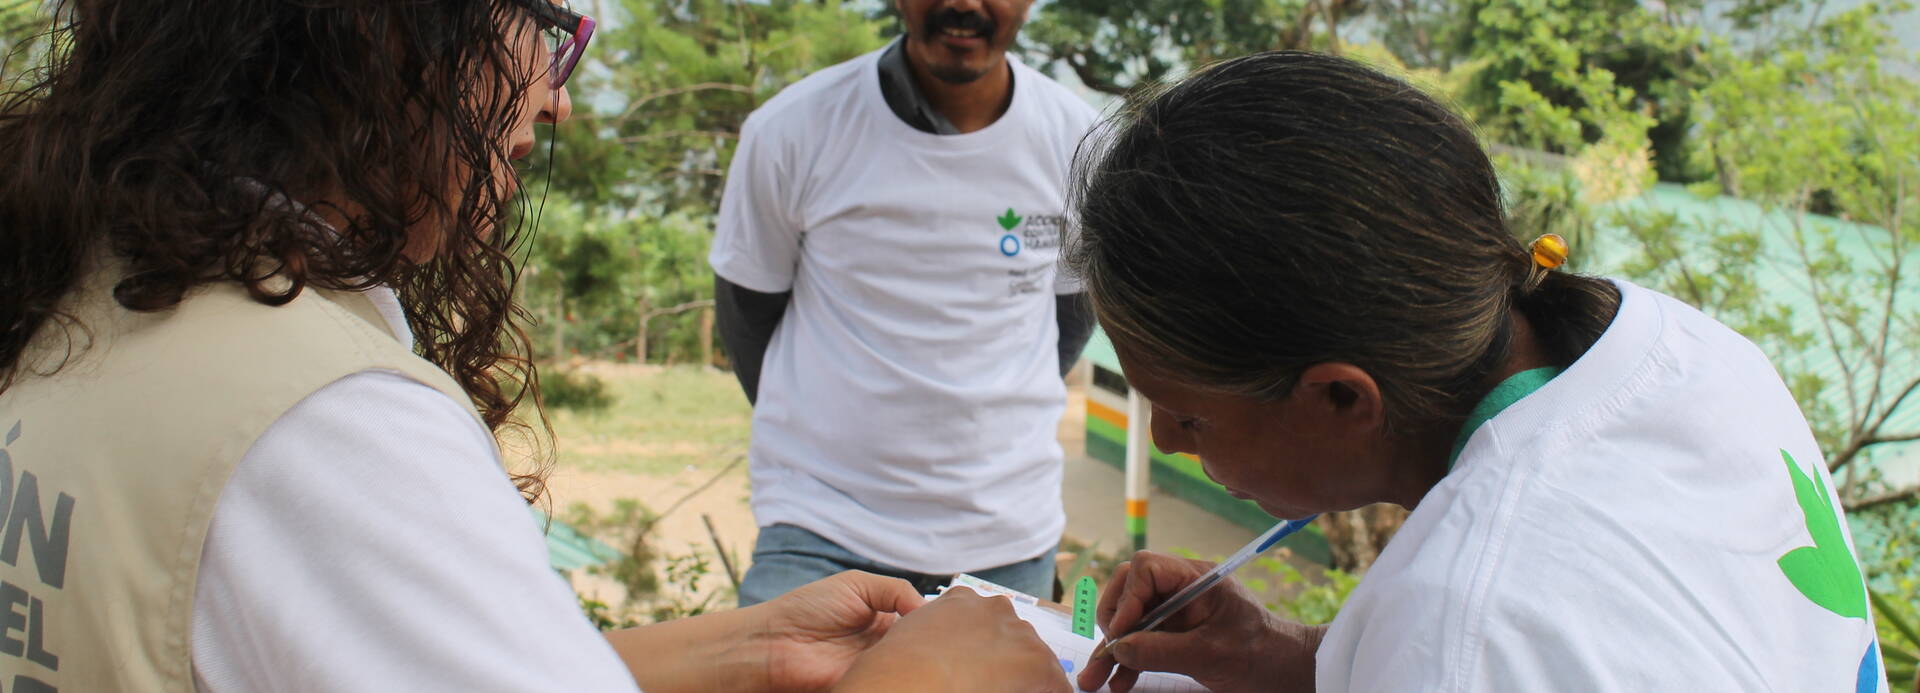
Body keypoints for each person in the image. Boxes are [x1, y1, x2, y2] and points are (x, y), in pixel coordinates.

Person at [0, 1, 1072, 691]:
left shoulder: (102, 294)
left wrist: (740, 647)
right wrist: (930, 686)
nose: (556, 99)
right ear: (391, 34)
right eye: (553, 28)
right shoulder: (322, 420)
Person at [1067, 52, 1889, 693]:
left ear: (1342, 397)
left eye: (1187, 414)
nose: (1163, 440)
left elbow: (1485, 648)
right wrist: (1272, 654)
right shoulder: (1686, 346)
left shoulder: (1475, 620)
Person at [709, 0, 1100, 607]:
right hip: (821, 526)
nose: (964, 5)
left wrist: (979, 426)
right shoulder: (794, 129)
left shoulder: (1078, 141)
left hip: (1005, 537)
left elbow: (1071, 316)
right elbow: (748, 314)